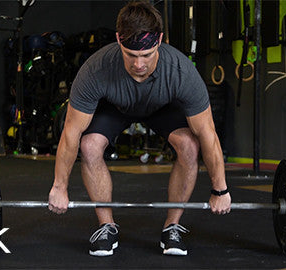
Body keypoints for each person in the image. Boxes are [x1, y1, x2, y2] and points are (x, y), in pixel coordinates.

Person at [48, 0, 231, 257]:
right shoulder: (96, 70)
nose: (138, 64)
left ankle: (172, 227)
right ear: (118, 41)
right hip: (115, 107)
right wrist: (59, 187)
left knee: (190, 144)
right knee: (89, 145)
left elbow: (208, 133)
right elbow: (71, 133)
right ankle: (106, 227)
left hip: (162, 107)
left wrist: (220, 189)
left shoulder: (180, 72)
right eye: (131, 55)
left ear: (160, 41)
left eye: (146, 55)